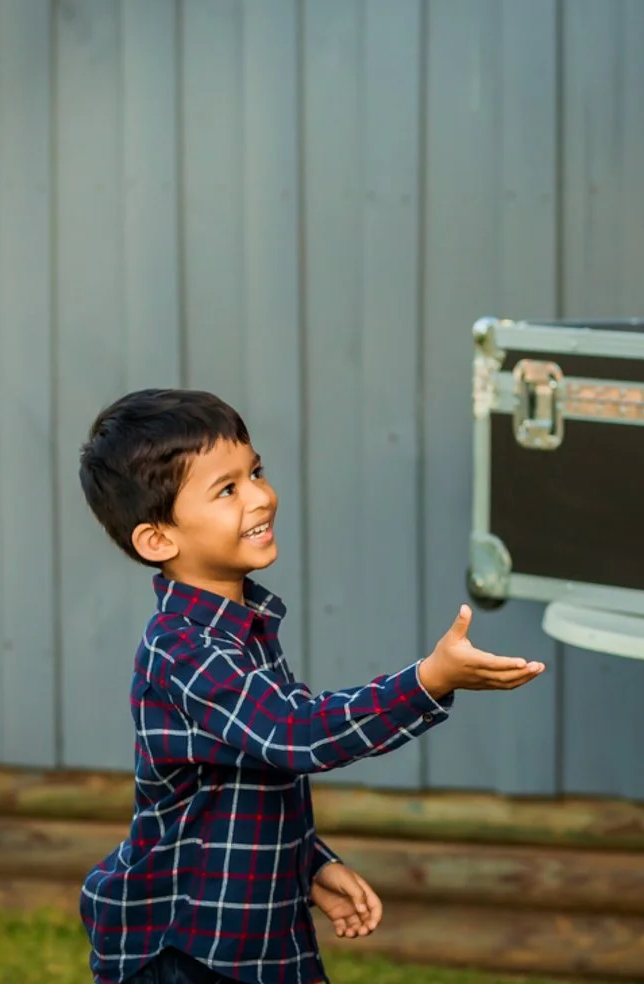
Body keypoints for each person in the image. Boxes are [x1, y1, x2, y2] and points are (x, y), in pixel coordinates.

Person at [75, 388, 546, 984]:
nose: (262, 496)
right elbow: (293, 733)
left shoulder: (242, 629)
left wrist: (310, 863)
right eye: (228, 489)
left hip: (256, 939)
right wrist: (428, 681)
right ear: (158, 540)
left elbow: (238, 783)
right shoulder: (185, 650)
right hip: (186, 948)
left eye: (256, 472)